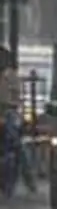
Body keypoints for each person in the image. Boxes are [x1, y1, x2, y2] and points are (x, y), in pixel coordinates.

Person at [0, 46, 21, 198]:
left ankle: (8, 187)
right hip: (8, 112)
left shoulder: (11, 77)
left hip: (8, 112)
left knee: (12, 148)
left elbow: (16, 99)